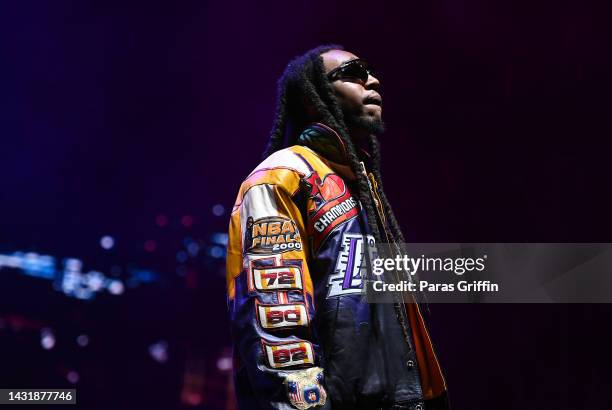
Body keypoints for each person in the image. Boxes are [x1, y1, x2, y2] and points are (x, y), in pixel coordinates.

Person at [226, 45, 448, 410]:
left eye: (371, 72)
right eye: (354, 72)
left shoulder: (361, 181)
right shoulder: (282, 177)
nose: (372, 80)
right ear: (313, 97)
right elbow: (275, 313)